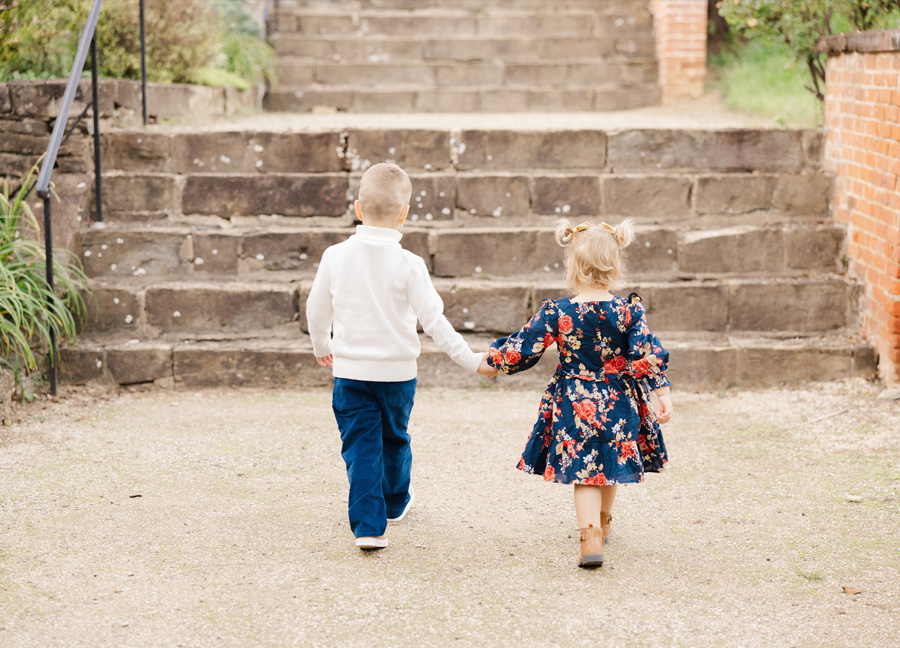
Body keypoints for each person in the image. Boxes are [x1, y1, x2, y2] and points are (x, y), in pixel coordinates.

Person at [306, 162, 495, 551]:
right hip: (398, 376)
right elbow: (434, 321)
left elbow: (316, 309)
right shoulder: (410, 264)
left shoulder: (335, 256)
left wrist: (321, 346)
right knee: (394, 439)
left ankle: (368, 526)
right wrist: (471, 359)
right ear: (404, 214)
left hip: (351, 373)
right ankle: (394, 503)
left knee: (360, 447)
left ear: (358, 208)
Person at [485, 218, 673, 569]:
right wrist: (663, 393)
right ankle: (603, 522)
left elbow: (524, 346)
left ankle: (591, 540)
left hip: (574, 402)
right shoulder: (627, 312)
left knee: (585, 472)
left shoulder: (558, 312)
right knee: (611, 462)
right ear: (616, 267)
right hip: (619, 400)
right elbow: (646, 354)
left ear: (572, 266)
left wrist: (492, 361)